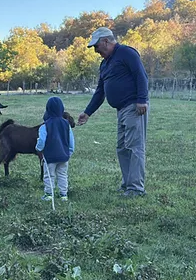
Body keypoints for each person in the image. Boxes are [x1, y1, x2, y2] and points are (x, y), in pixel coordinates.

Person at [77, 27, 149, 197]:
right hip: (121, 110)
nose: (95, 51)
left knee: (134, 147)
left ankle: (136, 188)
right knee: (122, 147)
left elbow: (141, 76)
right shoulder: (105, 64)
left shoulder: (126, 53)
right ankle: (127, 184)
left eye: (96, 46)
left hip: (134, 106)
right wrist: (87, 112)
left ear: (106, 41)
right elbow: (100, 91)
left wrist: (142, 100)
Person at [36, 96, 75, 201]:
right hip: (63, 156)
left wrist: (38, 148)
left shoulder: (44, 126)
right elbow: (71, 142)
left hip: (50, 157)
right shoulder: (67, 125)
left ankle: (49, 194)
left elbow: (41, 141)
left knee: (49, 176)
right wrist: (69, 153)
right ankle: (63, 195)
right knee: (62, 175)